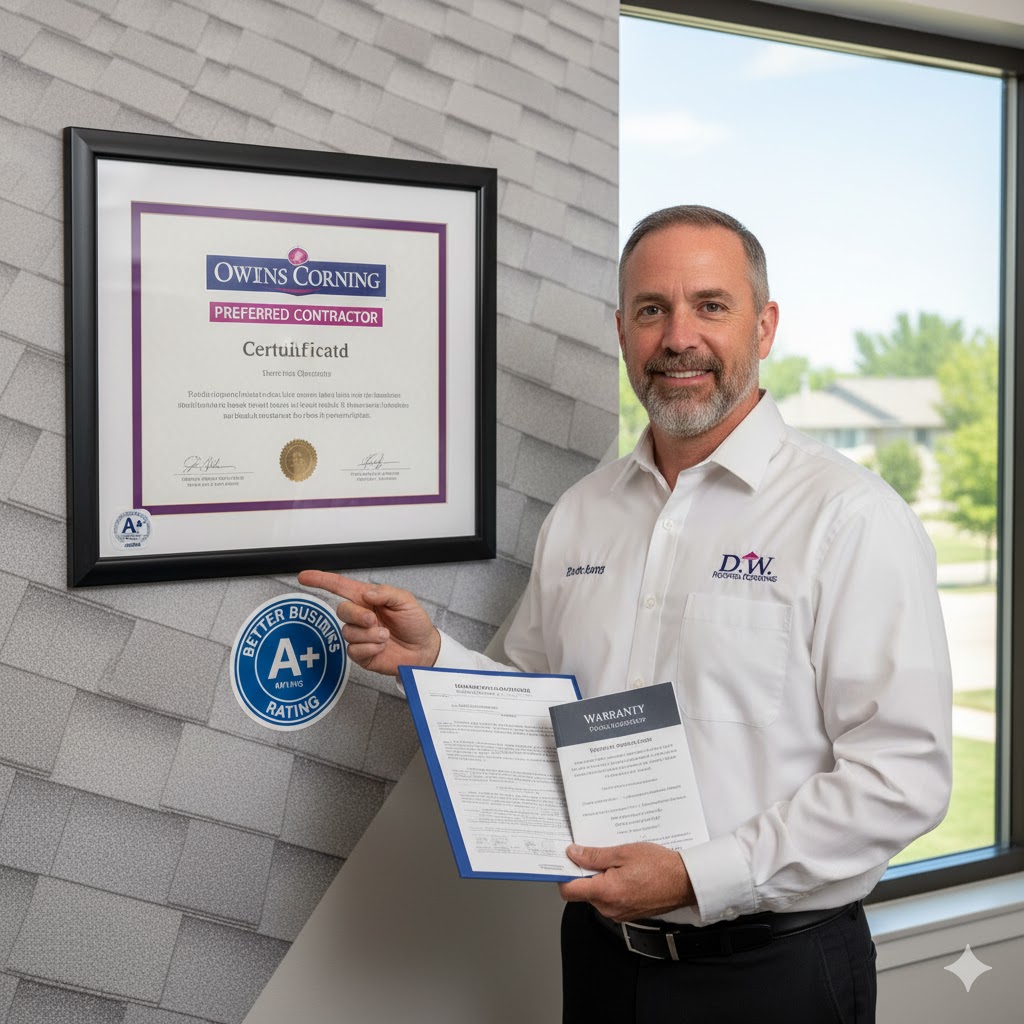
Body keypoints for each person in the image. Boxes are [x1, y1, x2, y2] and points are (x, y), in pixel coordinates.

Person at [299, 205, 952, 1023]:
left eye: (711, 305)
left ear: (766, 324)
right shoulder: (582, 513)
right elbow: (540, 707)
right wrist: (435, 658)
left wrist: (693, 876)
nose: (679, 336)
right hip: (603, 963)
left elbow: (903, 779)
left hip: (774, 975)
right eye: (652, 310)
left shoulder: (850, 519)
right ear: (621, 331)